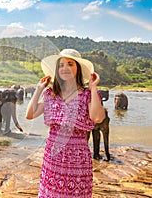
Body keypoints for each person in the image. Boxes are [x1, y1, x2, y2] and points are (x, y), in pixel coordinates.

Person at [26, 49, 105, 197]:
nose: (65, 68)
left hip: (77, 158)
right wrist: (38, 90)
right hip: (52, 156)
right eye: (61, 65)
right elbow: (30, 115)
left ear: (78, 69)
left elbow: (97, 117)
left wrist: (93, 88)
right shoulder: (51, 94)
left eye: (70, 64)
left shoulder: (88, 95)